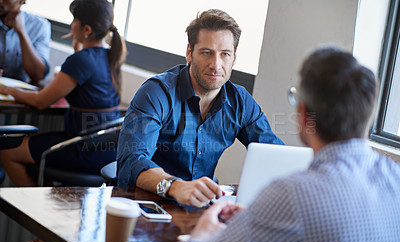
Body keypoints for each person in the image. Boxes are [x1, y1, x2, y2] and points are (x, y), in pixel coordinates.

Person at [167, 47, 400, 242]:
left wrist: (202, 232)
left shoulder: (292, 196)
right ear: (368, 115)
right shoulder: (395, 178)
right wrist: (264, 217)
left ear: (302, 113)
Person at [117, 9, 283, 207]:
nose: (216, 64)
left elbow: (275, 155)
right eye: (207, 53)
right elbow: (132, 160)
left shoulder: (241, 101)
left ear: (234, 58)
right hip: (148, 204)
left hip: (201, 207)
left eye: (225, 54)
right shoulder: (156, 93)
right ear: (189, 52)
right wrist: (175, 187)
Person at [0, 0, 126, 187]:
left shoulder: (80, 60)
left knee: (7, 151)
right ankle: (43, 201)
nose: (70, 24)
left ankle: (33, 209)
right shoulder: (110, 56)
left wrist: (6, 89)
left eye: (74, 19)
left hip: (83, 149)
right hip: (105, 149)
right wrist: (78, 50)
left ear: (86, 29)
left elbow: (40, 102)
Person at [0, 0, 50, 84]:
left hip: (18, 92)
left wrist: (21, 32)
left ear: (21, 1)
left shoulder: (39, 26)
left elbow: (37, 75)